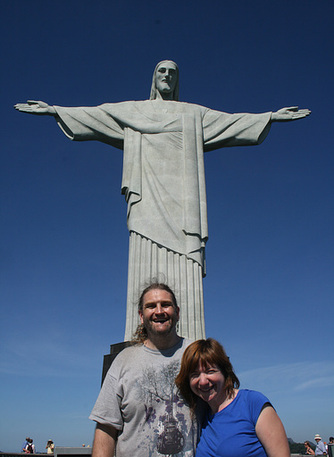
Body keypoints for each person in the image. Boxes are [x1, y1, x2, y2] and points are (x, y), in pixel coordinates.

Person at [14, 61, 311, 342]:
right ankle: (140, 340)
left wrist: (269, 116)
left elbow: (231, 123)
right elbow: (97, 115)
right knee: (143, 255)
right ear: (154, 79)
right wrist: (54, 110)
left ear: (177, 79)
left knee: (186, 262)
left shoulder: (193, 114)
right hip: (146, 200)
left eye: (172, 72)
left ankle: (190, 339)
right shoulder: (134, 110)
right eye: (161, 71)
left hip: (184, 206)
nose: (167, 76)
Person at [89, 283, 206, 457]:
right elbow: (105, 430)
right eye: (151, 306)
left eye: (166, 305)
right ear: (142, 316)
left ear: (177, 312)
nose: (159, 311)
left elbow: (227, 407)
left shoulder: (197, 355)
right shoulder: (123, 362)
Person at [175, 338, 302, 457]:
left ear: (224, 371)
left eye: (210, 371)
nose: (203, 381)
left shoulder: (252, 404)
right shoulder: (201, 416)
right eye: (194, 375)